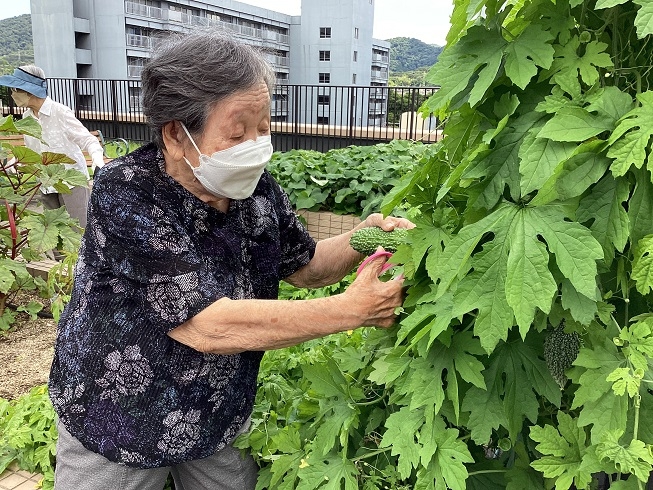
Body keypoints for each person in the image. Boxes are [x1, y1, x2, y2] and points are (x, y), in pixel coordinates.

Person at [48, 29, 413, 490]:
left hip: (216, 409)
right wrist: (349, 311)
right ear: (177, 135)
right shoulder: (127, 193)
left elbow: (305, 265)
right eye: (237, 133)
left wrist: (363, 237)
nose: (257, 145)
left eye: (263, 127)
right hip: (120, 414)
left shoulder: (255, 189)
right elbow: (206, 325)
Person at [0, 65, 105, 231]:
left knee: (78, 233)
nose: (12, 94)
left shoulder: (60, 112)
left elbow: (88, 140)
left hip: (71, 183)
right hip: (45, 184)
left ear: (29, 91)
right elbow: (31, 153)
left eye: (15, 89)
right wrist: (10, 166)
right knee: (53, 234)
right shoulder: (27, 117)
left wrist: (97, 160)